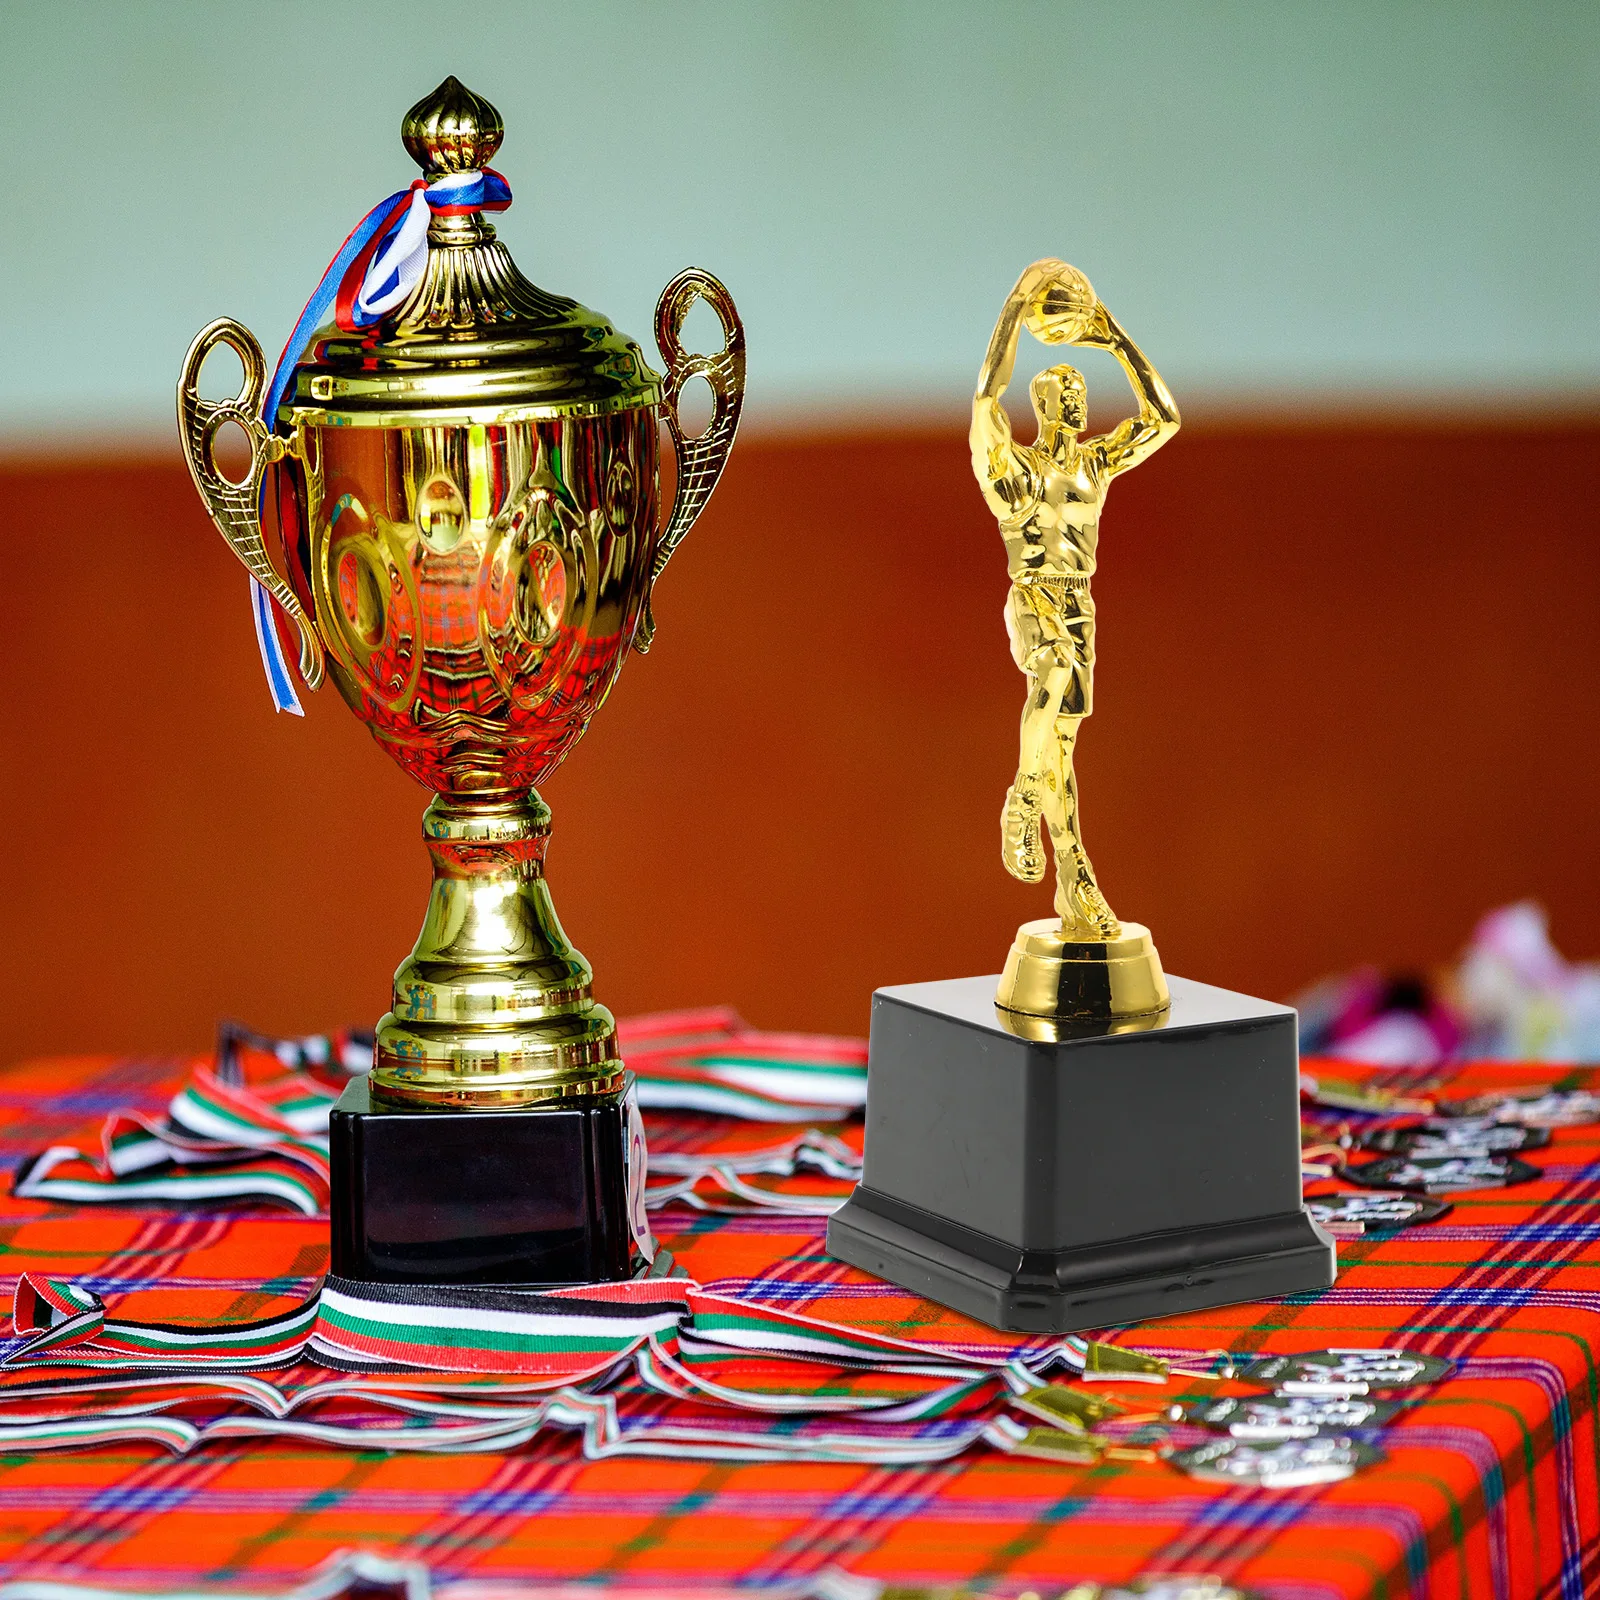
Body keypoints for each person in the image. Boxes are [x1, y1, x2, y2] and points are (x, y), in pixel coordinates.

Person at [970, 260, 1180, 939]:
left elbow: (1164, 418)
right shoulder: (1017, 472)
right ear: (1044, 405)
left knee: (1062, 736)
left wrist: (1113, 337)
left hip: (1079, 602)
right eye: (1068, 392)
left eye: (1082, 393)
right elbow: (983, 403)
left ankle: (1074, 878)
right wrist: (1015, 306)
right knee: (1054, 684)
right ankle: (1021, 799)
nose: (1081, 402)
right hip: (1033, 595)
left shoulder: (1094, 466)